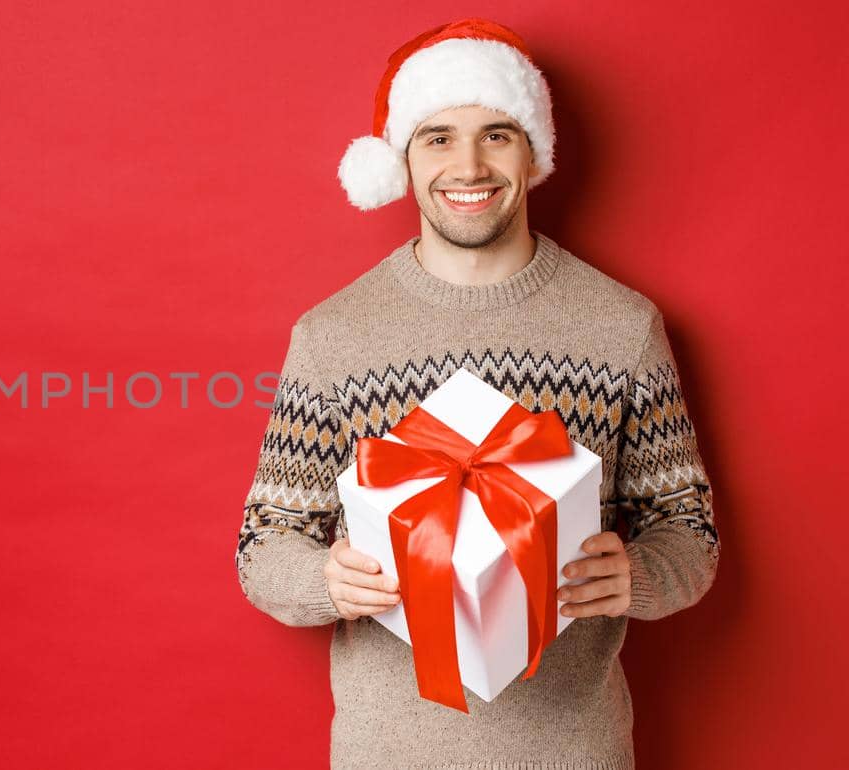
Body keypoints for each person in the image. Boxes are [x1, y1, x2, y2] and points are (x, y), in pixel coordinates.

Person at [233, 18, 719, 769]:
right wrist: (325, 581)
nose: (469, 165)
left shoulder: (622, 329)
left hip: (573, 751)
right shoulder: (333, 336)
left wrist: (640, 574)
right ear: (402, 160)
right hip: (386, 754)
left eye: (497, 134)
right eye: (438, 138)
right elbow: (263, 543)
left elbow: (689, 530)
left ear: (533, 153)